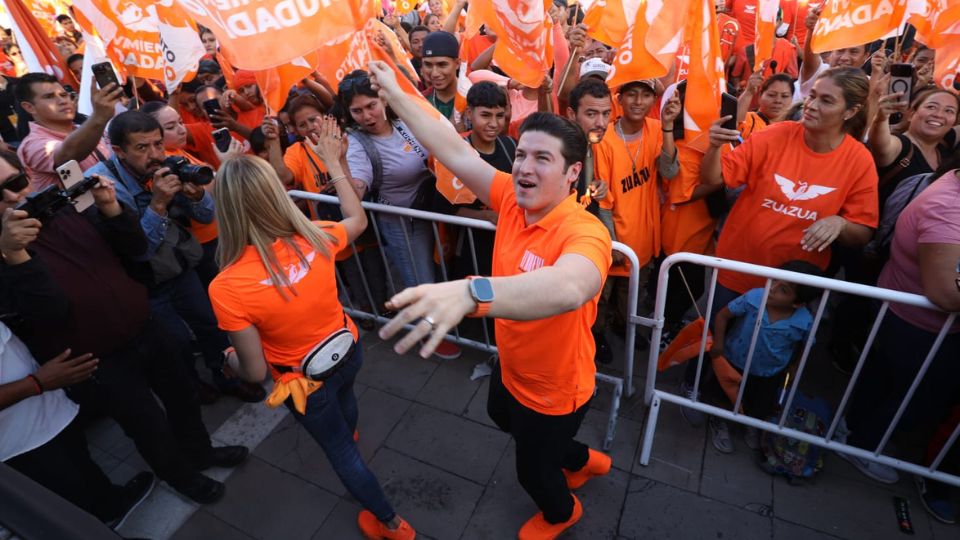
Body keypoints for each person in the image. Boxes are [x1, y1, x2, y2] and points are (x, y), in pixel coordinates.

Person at [370, 59, 613, 539]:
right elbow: (448, 146)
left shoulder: (584, 231)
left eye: (542, 158)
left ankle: (563, 513)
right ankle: (584, 459)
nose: (523, 166)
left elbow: (571, 286)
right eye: (521, 154)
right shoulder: (509, 197)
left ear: (572, 172)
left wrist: (471, 292)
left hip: (555, 388)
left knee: (532, 472)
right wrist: (395, 94)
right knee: (500, 414)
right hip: (513, 364)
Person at [0, 149, 246, 504]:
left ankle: (200, 451)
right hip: (94, 357)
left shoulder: (62, 206)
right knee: (147, 425)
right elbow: (49, 310)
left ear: (26, 175)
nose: (11, 198)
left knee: (183, 396)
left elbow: (133, 249)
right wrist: (15, 256)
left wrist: (111, 208)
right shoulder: (6, 251)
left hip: (143, 323)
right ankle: (182, 478)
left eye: (15, 183)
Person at [208, 148, 416, 540]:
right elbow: (357, 218)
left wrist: (230, 359)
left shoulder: (226, 287)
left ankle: (391, 523)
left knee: (341, 452)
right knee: (346, 399)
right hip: (348, 349)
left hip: (304, 382)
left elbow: (253, 372)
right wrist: (335, 164)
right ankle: (348, 432)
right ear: (275, 193)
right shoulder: (316, 236)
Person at [691, 67, 880, 422]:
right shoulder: (775, 134)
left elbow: (864, 231)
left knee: (769, 354)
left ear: (851, 112)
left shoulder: (858, 160)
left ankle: (747, 412)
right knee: (716, 338)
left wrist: (840, 222)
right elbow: (714, 178)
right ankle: (698, 394)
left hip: (792, 288)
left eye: (826, 100)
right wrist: (715, 146)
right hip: (738, 267)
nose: (810, 105)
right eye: (811, 95)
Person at [86, 111, 265, 404]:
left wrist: (196, 196)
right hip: (145, 283)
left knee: (209, 324)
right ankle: (192, 387)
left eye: (158, 143)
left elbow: (206, 215)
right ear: (118, 150)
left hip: (181, 268)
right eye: (142, 148)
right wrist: (158, 203)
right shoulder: (107, 186)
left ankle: (224, 375)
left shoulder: (167, 164)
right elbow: (138, 249)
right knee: (175, 342)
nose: (155, 154)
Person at [842, 157, 960, 486]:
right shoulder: (949, 208)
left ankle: (856, 432)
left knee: (883, 378)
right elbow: (947, 293)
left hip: (907, 316)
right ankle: (864, 444)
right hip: (917, 323)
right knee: (919, 394)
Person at [1, 322, 155, 529]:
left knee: (83, 468)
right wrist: (36, 383)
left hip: (49, 412)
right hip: (23, 440)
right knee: (66, 505)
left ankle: (111, 505)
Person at [594, 78, 680, 341]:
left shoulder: (655, 129)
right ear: (618, 99)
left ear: (654, 100)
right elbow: (603, 201)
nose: (638, 102)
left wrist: (667, 128)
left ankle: (623, 327)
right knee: (600, 299)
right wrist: (614, 243)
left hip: (643, 238)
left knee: (631, 295)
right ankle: (596, 338)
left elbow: (670, 171)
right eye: (631, 94)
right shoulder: (604, 139)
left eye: (646, 95)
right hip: (615, 241)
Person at [705, 260, 820, 453]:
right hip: (734, 361)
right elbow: (722, 316)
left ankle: (751, 423)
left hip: (769, 371)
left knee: (759, 402)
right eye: (774, 280)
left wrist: (794, 367)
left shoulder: (803, 321)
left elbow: (806, 345)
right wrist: (719, 342)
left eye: (783, 289)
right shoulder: (754, 298)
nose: (772, 288)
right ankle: (719, 421)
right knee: (724, 395)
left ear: (797, 303)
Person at [16, 72, 123, 190]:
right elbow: (68, 156)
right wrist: (98, 117)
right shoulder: (32, 145)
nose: (63, 101)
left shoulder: (86, 128)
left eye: (64, 94)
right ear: (29, 107)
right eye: (49, 97)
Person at [868, 87, 959, 205]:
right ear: (911, 114)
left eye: (949, 111)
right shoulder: (900, 145)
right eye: (931, 107)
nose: (938, 115)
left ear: (954, 122)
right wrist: (881, 118)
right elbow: (881, 145)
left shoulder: (945, 148)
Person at [737, 73, 795, 140]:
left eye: (785, 96)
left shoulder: (794, 129)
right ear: (760, 96)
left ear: (792, 99)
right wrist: (749, 92)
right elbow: (735, 122)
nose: (778, 101)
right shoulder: (750, 120)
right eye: (771, 95)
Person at [420, 31, 460, 123]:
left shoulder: (474, 98)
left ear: (457, 63)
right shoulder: (420, 102)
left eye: (442, 65)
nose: (434, 73)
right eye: (428, 65)